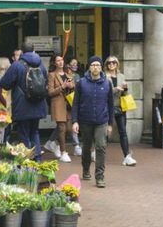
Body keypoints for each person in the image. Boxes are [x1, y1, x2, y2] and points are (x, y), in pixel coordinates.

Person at [0, 43, 48, 161]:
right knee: (35, 132)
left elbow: (4, 84)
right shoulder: (41, 65)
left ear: (22, 51)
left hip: (22, 106)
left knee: (24, 133)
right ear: (34, 50)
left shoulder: (17, 65)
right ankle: (37, 159)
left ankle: (27, 160)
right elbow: (45, 82)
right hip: (38, 104)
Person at [71, 55, 114, 188]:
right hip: (85, 120)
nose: (95, 67)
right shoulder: (81, 83)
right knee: (86, 147)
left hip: (102, 120)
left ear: (101, 68)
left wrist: (110, 124)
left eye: (98, 65)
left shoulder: (107, 83)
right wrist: (75, 121)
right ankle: (85, 168)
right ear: (89, 67)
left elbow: (111, 105)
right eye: (93, 65)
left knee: (101, 146)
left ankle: (100, 176)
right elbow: (75, 103)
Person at [104, 56, 136, 166]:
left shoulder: (122, 76)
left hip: (120, 107)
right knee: (106, 132)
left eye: (114, 62)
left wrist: (125, 89)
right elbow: (103, 92)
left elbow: (125, 94)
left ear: (117, 64)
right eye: (109, 63)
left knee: (123, 132)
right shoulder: (104, 76)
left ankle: (127, 156)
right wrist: (115, 89)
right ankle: (98, 152)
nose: (111, 64)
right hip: (108, 107)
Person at [45, 54, 75, 163]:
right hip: (58, 103)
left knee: (68, 128)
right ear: (54, 63)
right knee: (61, 128)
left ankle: (52, 143)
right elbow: (50, 92)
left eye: (62, 60)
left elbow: (72, 89)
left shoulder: (68, 75)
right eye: (58, 60)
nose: (61, 62)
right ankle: (63, 152)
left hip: (68, 103)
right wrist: (62, 87)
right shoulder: (52, 75)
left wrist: (72, 86)